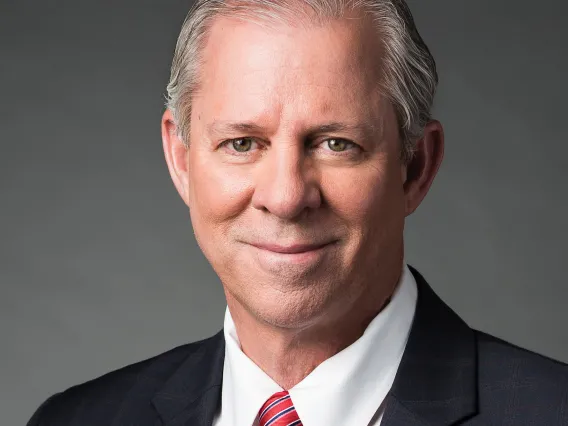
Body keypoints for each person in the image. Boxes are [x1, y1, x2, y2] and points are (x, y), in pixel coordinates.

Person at [28, 0, 568, 425]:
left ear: (415, 167)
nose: (286, 197)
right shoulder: (76, 419)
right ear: (181, 159)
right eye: (242, 143)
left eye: (335, 144)